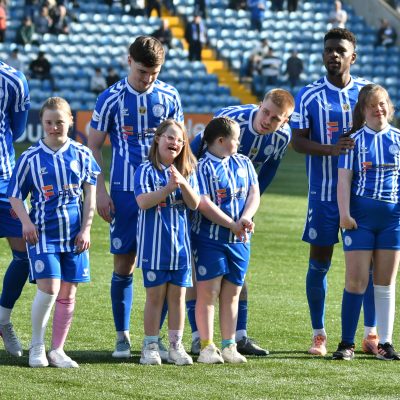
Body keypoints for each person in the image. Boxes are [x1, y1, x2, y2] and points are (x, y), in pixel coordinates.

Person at [88, 36, 183, 360]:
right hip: (125, 193)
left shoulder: (169, 96)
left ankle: (158, 339)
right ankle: (122, 336)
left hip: (163, 193)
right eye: (143, 71)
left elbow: (180, 144)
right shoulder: (110, 98)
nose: (148, 79)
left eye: (154, 73)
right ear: (129, 61)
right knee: (124, 264)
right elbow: (93, 146)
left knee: (167, 267)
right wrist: (100, 191)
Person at [290, 28, 378, 357]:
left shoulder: (366, 94)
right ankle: (319, 335)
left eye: (340, 50)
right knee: (319, 263)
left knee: (367, 268)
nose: (333, 55)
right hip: (324, 195)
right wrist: (331, 149)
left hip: (361, 195)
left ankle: (371, 334)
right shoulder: (308, 95)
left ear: (353, 56)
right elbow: (297, 142)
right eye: (329, 50)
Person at [190, 88, 295, 356]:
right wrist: (190, 193)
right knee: (199, 273)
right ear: (259, 105)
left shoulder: (282, 137)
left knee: (237, 275)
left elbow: (268, 171)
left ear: (285, 121)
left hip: (238, 208)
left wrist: (248, 210)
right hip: (203, 202)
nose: (267, 120)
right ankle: (198, 337)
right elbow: (194, 150)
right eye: (265, 112)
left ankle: (238, 337)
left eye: (275, 118)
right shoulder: (231, 118)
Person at [7, 97, 100, 368]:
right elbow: (15, 195)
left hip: (75, 236)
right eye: (49, 122)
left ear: (71, 120)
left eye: (59, 121)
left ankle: (57, 350)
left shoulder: (82, 154)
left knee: (68, 294)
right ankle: (37, 346)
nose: (54, 127)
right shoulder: (30, 157)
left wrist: (86, 229)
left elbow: (90, 195)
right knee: (49, 289)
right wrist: (26, 222)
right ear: (42, 123)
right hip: (43, 234)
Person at [333, 84, 400, 361]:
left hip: (392, 221)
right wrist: (344, 214)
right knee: (356, 281)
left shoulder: (398, 139)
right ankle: (346, 343)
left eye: (382, 103)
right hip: (359, 220)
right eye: (372, 105)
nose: (378, 109)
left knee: (385, 283)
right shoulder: (353, 141)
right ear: (362, 110)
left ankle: (385, 343)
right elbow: (344, 181)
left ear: (389, 107)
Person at [192, 117, 260, 364]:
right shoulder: (201, 167)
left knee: (232, 294)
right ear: (221, 140)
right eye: (236, 139)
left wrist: (246, 217)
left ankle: (229, 345)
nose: (239, 143)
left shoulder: (243, 162)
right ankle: (206, 347)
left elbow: (254, 192)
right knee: (208, 293)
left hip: (239, 240)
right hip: (210, 239)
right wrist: (231, 223)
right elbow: (203, 203)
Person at [134, 120, 199, 365]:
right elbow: (143, 201)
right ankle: (150, 345)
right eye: (170, 137)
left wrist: (182, 183)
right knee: (154, 298)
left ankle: (175, 346)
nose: (175, 143)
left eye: (179, 140)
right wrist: (168, 188)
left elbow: (194, 204)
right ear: (158, 139)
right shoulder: (145, 170)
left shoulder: (188, 171)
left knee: (178, 298)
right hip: (154, 247)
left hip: (180, 248)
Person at [0, 61, 30, 358]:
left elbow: (18, 129)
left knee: (26, 254)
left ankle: (2, 318)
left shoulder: (12, 80)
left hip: (3, 180)